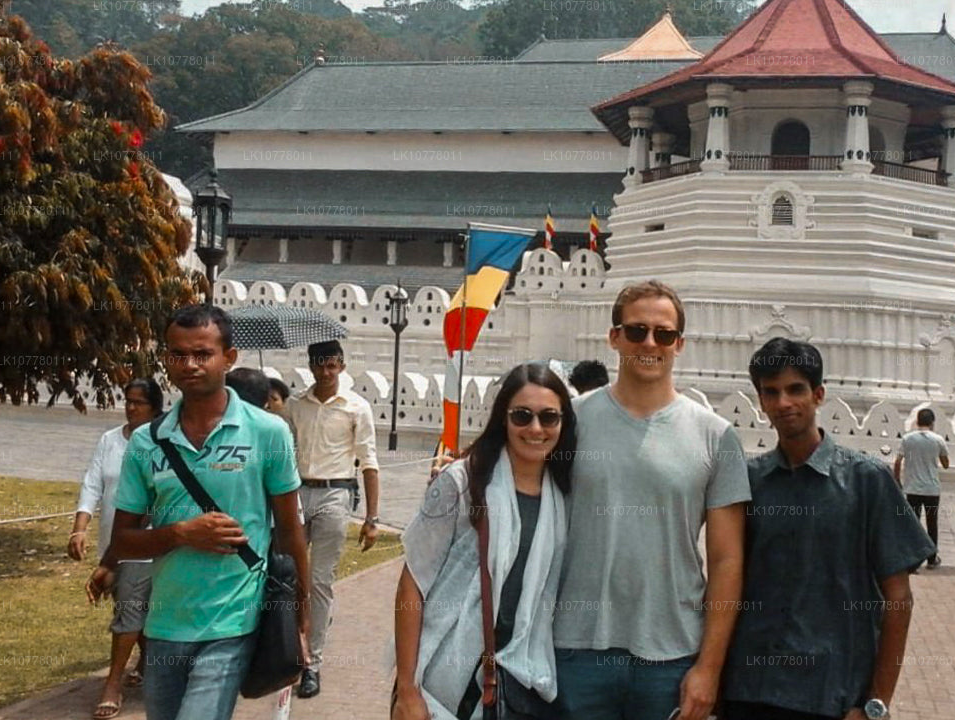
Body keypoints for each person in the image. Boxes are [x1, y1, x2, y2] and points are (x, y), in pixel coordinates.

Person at [554, 280, 750, 720]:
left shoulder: (715, 436)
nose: (649, 343)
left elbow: (726, 561)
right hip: (574, 648)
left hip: (672, 654)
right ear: (614, 337)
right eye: (636, 330)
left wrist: (709, 668)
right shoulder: (568, 424)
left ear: (679, 344)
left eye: (663, 334)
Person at [107, 304, 311, 720]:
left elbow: (290, 531)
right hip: (165, 624)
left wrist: (299, 618)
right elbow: (123, 541)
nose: (189, 365)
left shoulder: (267, 432)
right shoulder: (147, 442)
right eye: (178, 355)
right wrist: (180, 534)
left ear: (228, 358)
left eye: (202, 354)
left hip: (233, 623)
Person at [722, 338, 935, 720]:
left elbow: (899, 599)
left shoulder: (867, 480)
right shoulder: (750, 482)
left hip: (832, 695)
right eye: (771, 392)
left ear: (818, 395)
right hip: (751, 689)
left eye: (795, 389)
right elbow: (728, 581)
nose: (784, 402)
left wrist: (876, 703)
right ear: (760, 402)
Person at [393, 362, 575, 720]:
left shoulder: (564, 496)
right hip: (444, 680)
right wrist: (407, 689)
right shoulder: (462, 483)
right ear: (502, 419)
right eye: (522, 416)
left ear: (563, 423)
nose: (535, 428)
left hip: (521, 680)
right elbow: (413, 582)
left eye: (549, 417)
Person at [283, 339, 381, 698]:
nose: (325, 372)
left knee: (320, 580)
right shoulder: (296, 405)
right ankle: (287, 647)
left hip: (335, 494)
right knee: (287, 575)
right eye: (319, 365)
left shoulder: (356, 407)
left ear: (341, 366)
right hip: (297, 492)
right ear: (310, 366)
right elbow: (282, 451)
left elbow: (369, 462)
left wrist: (372, 518)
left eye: (332, 365)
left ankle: (312, 663)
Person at [71, 378, 164, 720]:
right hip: (112, 541)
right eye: (128, 401)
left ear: (154, 407)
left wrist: (115, 555)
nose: (131, 407)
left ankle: (112, 684)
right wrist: (79, 529)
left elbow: (149, 503)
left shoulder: (161, 443)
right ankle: (148, 663)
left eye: (139, 402)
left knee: (129, 611)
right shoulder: (110, 440)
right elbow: (92, 484)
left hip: (144, 543)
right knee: (133, 608)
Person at [894, 408, 950, 569]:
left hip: (912, 488)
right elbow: (946, 464)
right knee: (932, 524)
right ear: (932, 423)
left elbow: (898, 461)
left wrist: (897, 480)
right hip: (931, 489)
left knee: (913, 524)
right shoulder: (938, 440)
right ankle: (932, 559)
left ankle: (912, 561)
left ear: (917, 422)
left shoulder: (907, 439)